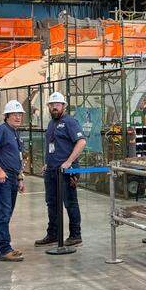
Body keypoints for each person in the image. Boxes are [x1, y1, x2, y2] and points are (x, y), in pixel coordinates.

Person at [36, 92, 87, 248]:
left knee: (70, 203)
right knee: (51, 203)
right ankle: (53, 234)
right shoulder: (51, 124)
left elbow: (81, 142)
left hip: (67, 171)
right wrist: (48, 163)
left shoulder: (70, 122)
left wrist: (69, 162)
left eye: (57, 104)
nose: (54, 107)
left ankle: (75, 235)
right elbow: (53, 146)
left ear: (63, 106)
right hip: (52, 171)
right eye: (51, 105)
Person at [0, 100, 27, 262]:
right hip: (3, 178)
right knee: (4, 213)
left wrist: (20, 177)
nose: (18, 117)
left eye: (20, 114)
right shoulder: (2, 130)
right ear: (7, 116)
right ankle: (4, 249)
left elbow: (18, 157)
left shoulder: (15, 133)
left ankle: (0, 247)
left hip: (12, 178)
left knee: (6, 213)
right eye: (14, 114)